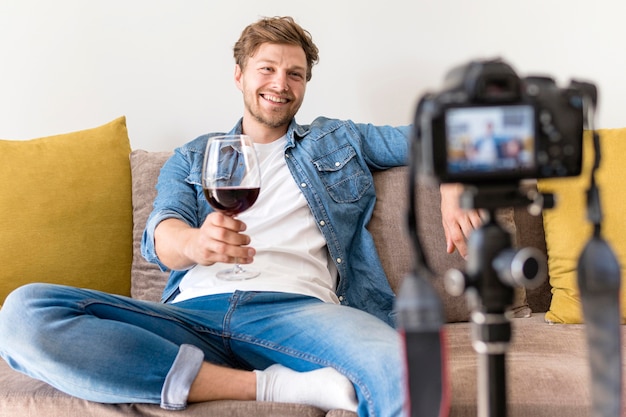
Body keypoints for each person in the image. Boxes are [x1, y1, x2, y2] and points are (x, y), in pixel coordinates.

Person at [0, 16, 481, 417]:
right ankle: (269, 387)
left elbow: (444, 132)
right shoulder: (194, 157)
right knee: (24, 314)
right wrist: (194, 245)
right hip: (190, 315)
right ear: (239, 75)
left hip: (297, 310)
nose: (280, 84)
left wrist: (454, 181)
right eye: (266, 68)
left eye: (295, 74)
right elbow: (162, 232)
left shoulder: (338, 139)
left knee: (406, 369)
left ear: (306, 84)